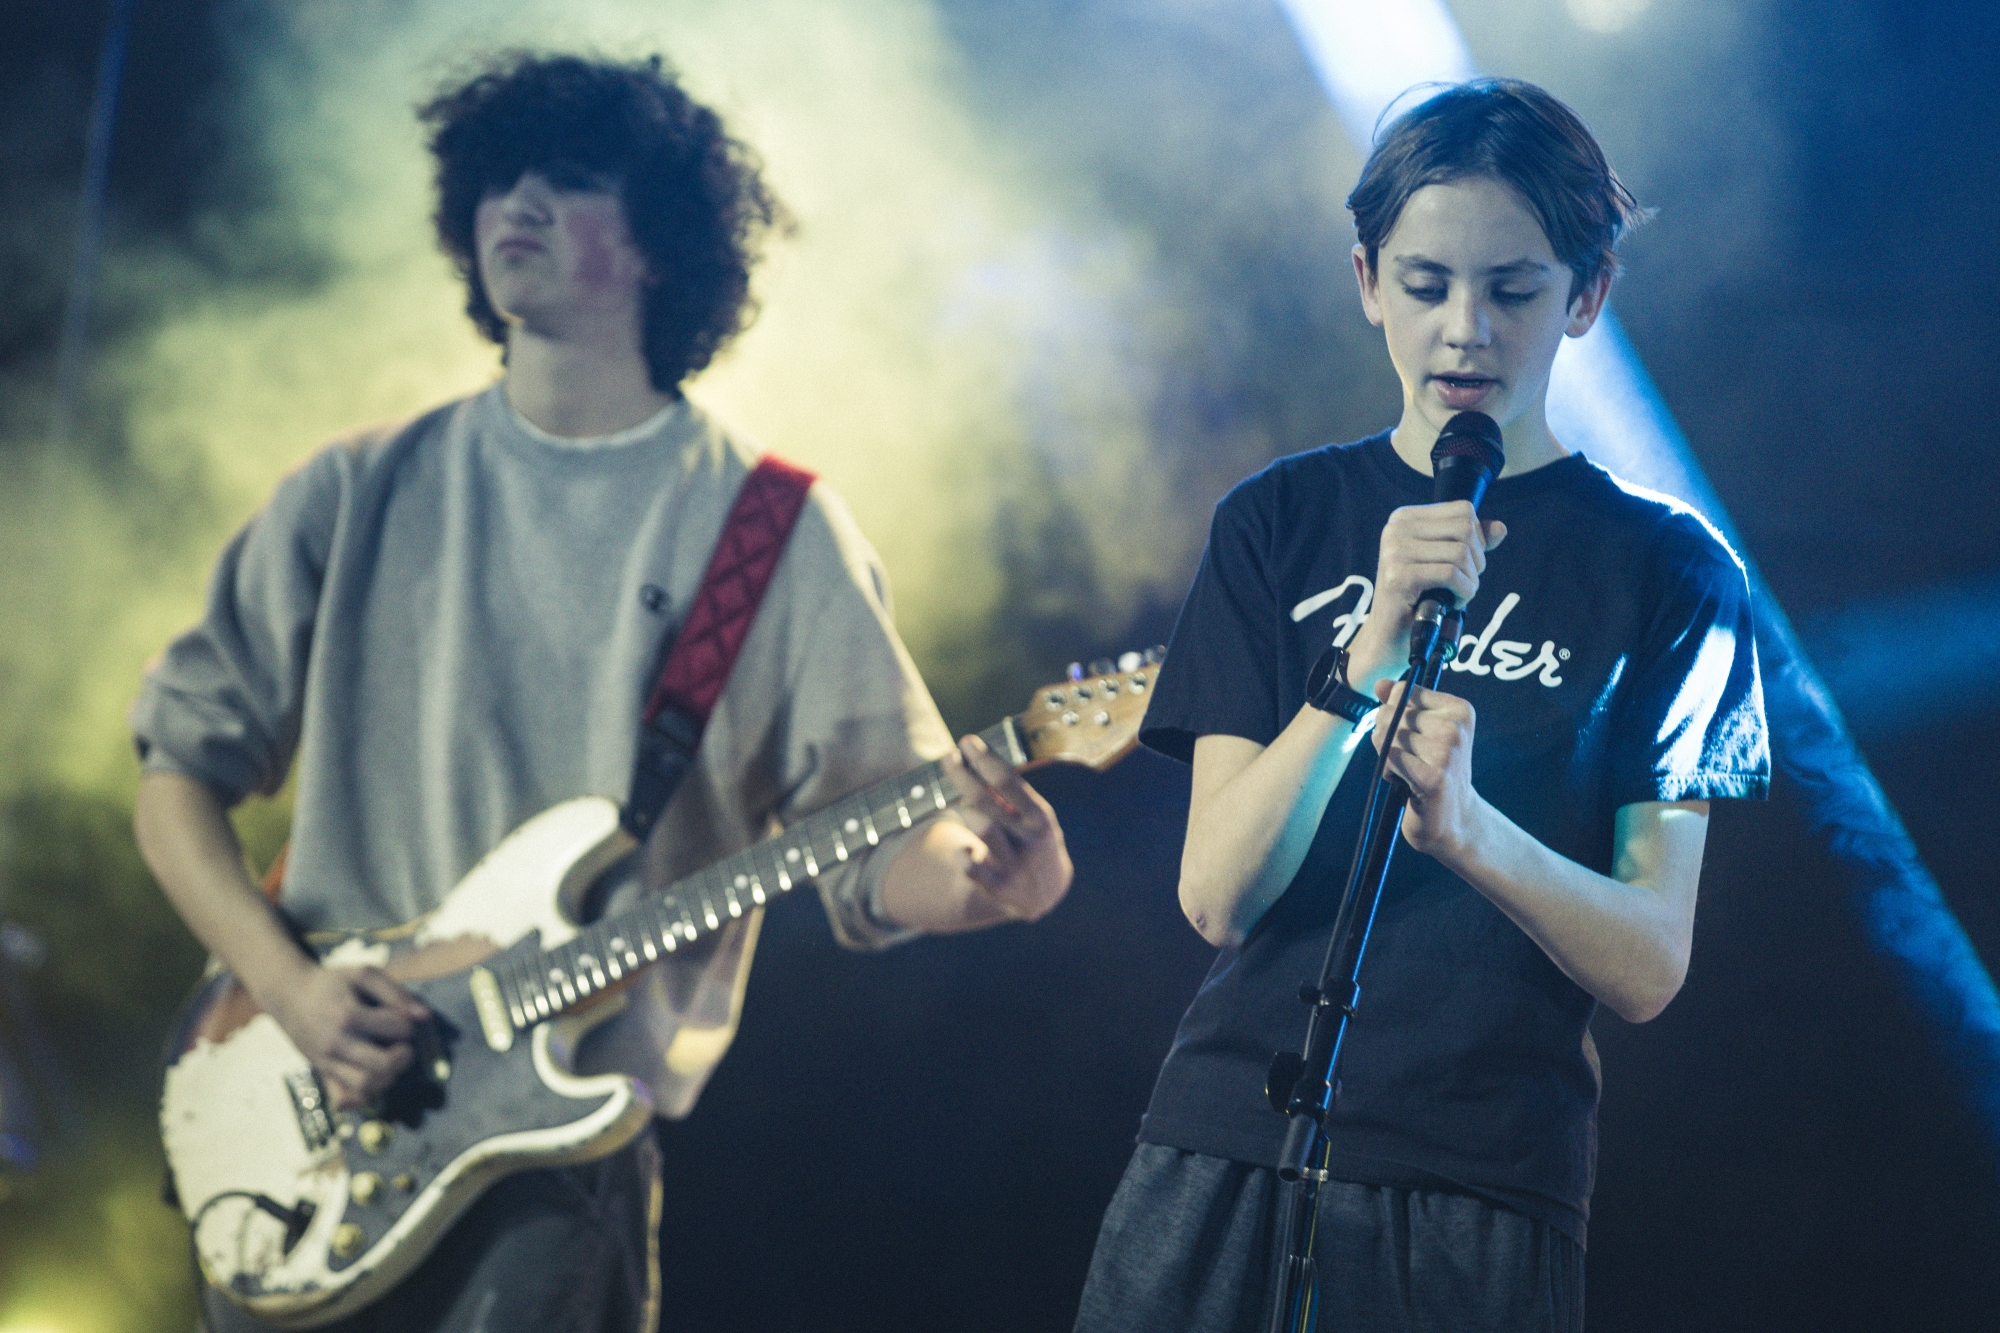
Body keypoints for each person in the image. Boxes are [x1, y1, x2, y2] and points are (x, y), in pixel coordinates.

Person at [131, 53, 1071, 1333]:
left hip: (556, 1167)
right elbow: (174, 778)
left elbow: (880, 836)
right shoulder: (356, 490)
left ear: (659, 245)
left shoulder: (768, 533)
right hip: (307, 1109)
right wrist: (289, 990)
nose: (514, 203)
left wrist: (984, 877)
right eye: (496, 178)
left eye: (567, 180)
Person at [1073, 79, 1768, 1332]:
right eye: (1423, 283)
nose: (1464, 331)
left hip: (1477, 1184)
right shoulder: (1276, 521)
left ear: (1585, 296)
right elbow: (1213, 894)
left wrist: (1470, 833)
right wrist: (1364, 655)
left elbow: (1651, 963)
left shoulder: (1670, 571)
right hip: (1223, 1141)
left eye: (1511, 291)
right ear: (1363, 281)